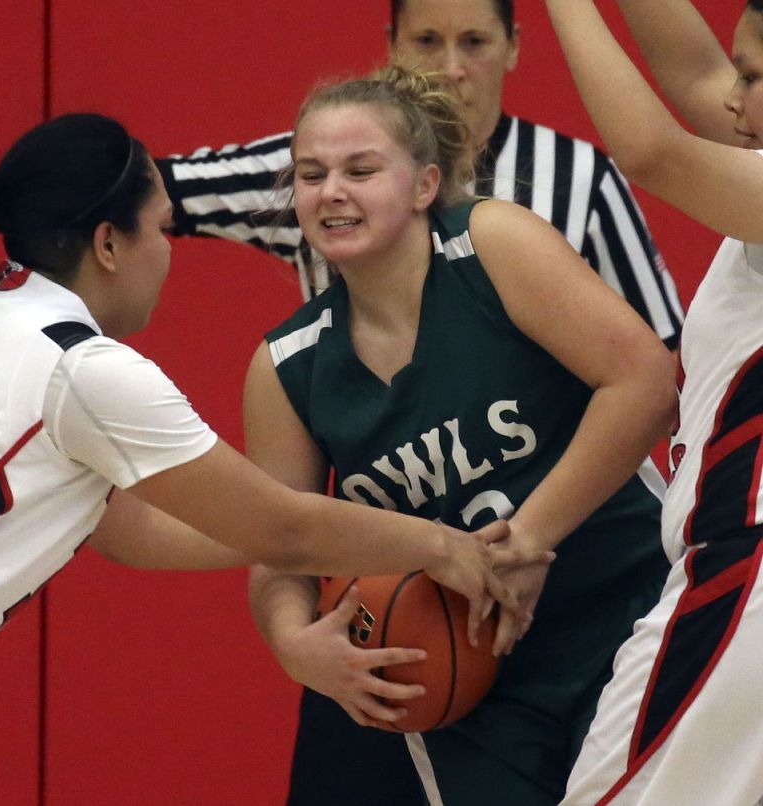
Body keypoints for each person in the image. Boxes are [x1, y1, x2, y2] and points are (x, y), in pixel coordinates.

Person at [0, 16, 547, 804]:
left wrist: (353, 532)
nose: (167, 252)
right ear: (108, 245)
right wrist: (440, 545)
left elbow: (140, 531)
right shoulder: (86, 368)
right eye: (162, 228)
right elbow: (278, 527)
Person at [242, 65, 677, 805]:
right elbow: (280, 547)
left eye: (360, 169)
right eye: (311, 175)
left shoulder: (489, 244)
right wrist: (294, 641)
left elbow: (643, 382)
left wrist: (527, 541)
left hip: (628, 609)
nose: (331, 191)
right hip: (471, 683)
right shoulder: (285, 366)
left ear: (422, 186)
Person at [153, 0, 684, 347]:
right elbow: (145, 189)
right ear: (392, 42)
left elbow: (663, 353)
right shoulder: (312, 167)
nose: (451, 67)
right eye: (427, 40)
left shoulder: (580, 177)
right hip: (391, 492)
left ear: (515, 45)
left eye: (474, 42)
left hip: (558, 495)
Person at [544, 1, 763, 803]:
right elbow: (697, 73)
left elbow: (649, 151)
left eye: (754, 76)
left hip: (744, 589)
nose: (729, 97)